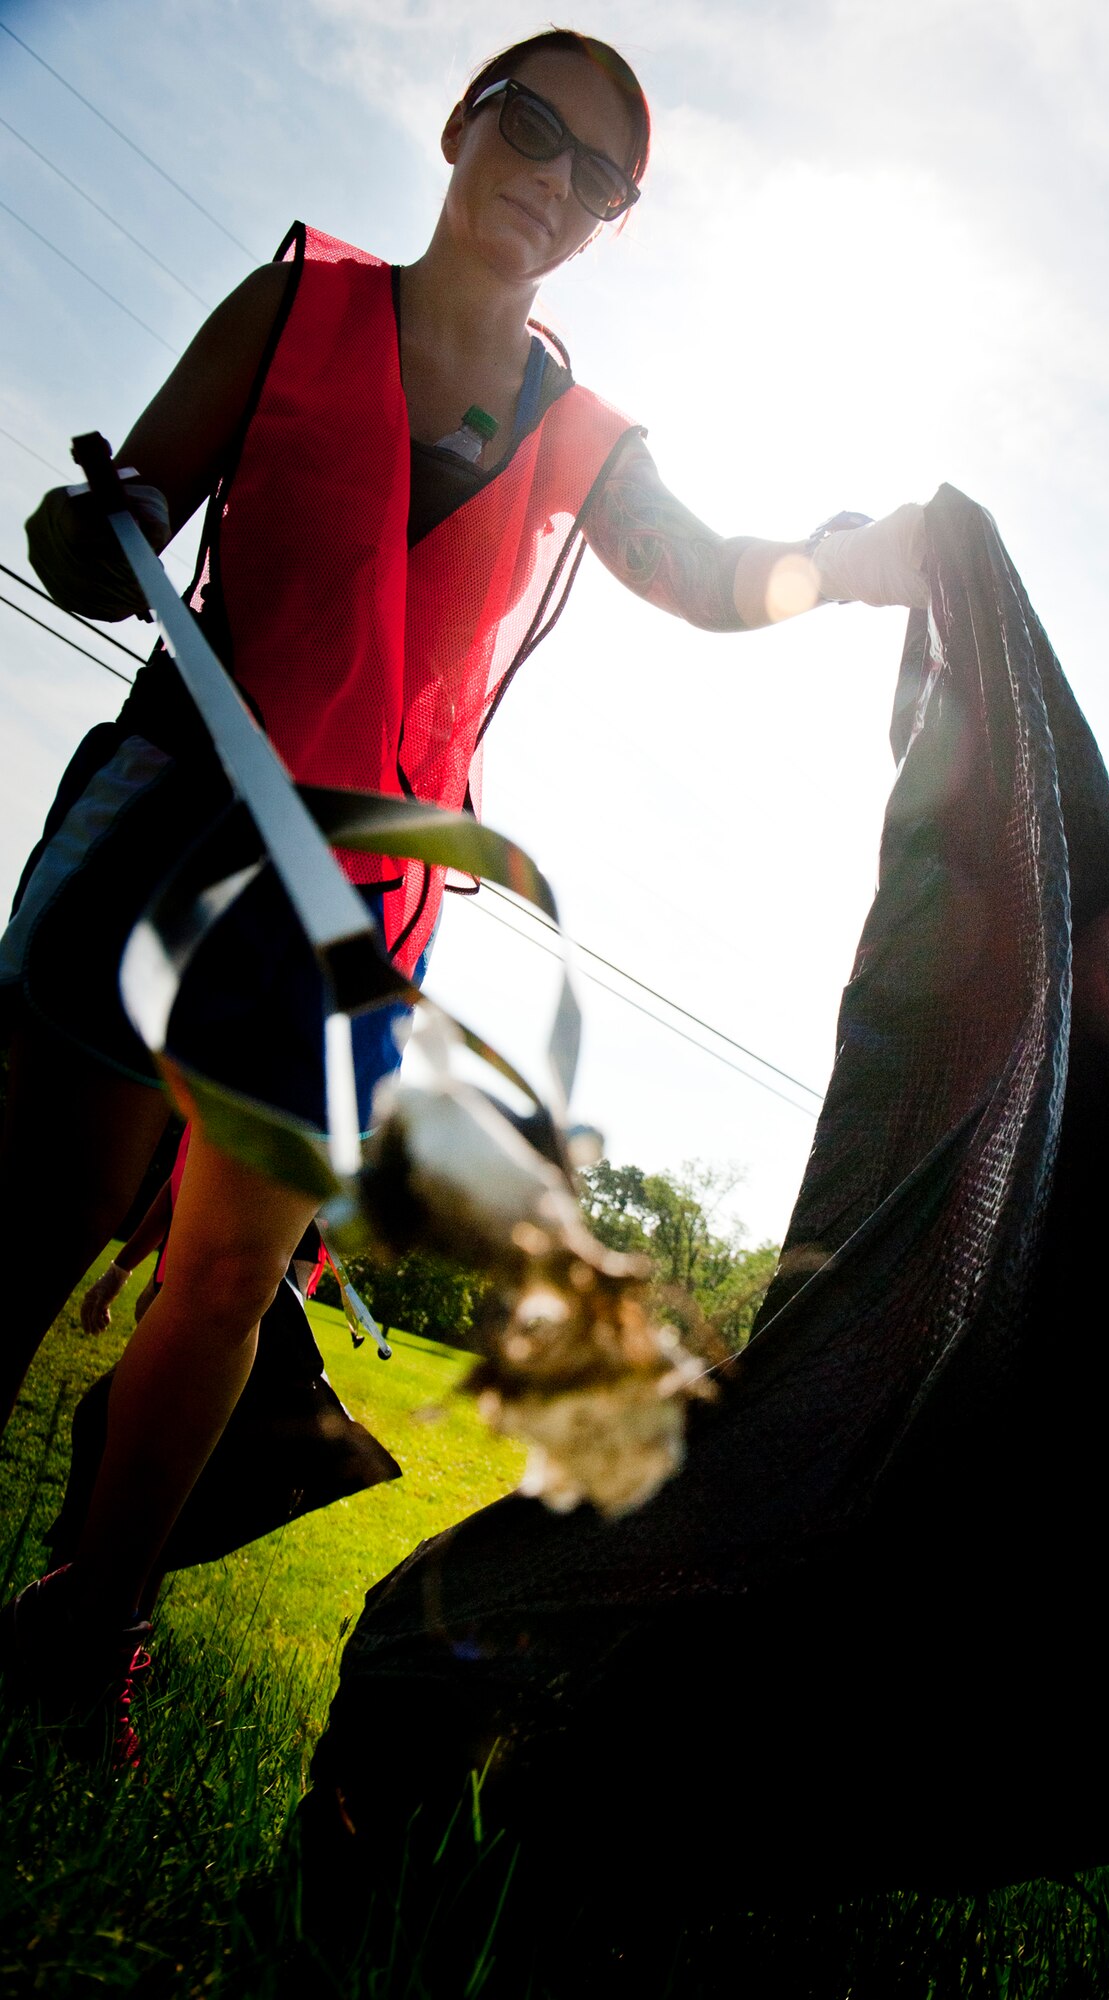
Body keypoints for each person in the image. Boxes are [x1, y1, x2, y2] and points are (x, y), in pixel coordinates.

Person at [0, 27, 926, 1750]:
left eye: (602, 175)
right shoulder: (295, 308)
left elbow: (707, 573)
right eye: (532, 126)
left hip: (356, 911)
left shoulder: (580, 432)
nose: (553, 179)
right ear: (461, 122)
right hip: (173, 829)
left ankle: (85, 1629)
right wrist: (88, 530)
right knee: (34, 1226)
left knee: (219, 1284)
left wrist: (848, 561)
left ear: (609, 221)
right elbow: (123, 505)